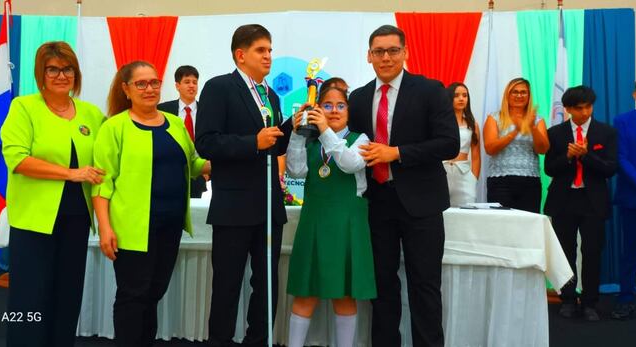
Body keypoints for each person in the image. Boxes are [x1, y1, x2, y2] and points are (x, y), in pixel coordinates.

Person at [347, 25, 459, 347]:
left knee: (425, 287)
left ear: (405, 52)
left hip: (421, 204)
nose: (386, 57)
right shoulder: (358, 98)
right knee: (381, 287)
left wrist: (397, 153)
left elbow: (449, 144)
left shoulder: (431, 91)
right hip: (375, 202)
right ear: (369, 56)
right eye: (378, 51)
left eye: (393, 50)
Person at [92, 60, 209, 346]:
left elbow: (193, 163)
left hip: (169, 226)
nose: (149, 89)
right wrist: (104, 227)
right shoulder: (114, 128)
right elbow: (102, 183)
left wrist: (229, 159)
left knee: (154, 293)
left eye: (154, 82)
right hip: (131, 229)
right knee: (133, 296)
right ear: (126, 89)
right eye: (141, 83)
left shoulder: (176, 125)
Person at [0, 41, 105, 347]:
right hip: (34, 219)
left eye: (68, 68)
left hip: (76, 218)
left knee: (68, 293)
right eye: (53, 69)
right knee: (29, 297)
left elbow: (106, 159)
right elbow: (18, 159)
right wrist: (70, 173)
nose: (62, 75)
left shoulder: (91, 113)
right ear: (41, 74)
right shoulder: (24, 107)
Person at [195, 24, 293, 347]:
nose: (268, 57)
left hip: (268, 207)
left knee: (267, 286)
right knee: (227, 286)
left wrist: (293, 125)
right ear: (241, 54)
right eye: (261, 50)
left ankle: (258, 340)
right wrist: (253, 141)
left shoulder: (272, 95)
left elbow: (274, 147)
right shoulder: (219, 88)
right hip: (233, 207)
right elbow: (207, 143)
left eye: (270, 50)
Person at [285, 86, 376, 347]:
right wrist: (297, 133)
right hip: (314, 222)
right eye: (326, 105)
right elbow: (296, 170)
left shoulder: (361, 139)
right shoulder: (312, 142)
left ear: (349, 110)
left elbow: (348, 163)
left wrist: (324, 130)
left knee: (344, 295)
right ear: (317, 108)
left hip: (347, 224)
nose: (333, 111)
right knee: (305, 292)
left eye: (340, 105)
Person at [544, 86, 617, 321]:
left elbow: (610, 169)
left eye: (588, 107)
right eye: (579, 108)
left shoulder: (606, 132)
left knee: (592, 251)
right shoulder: (555, 133)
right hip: (564, 200)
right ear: (567, 109)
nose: (585, 112)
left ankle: (590, 302)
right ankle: (567, 298)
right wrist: (567, 157)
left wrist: (586, 155)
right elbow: (549, 169)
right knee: (565, 252)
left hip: (593, 200)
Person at [483, 77, 550, 212]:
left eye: (523, 92)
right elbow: (490, 148)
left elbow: (543, 149)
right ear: (507, 95)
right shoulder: (494, 118)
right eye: (515, 92)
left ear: (529, 96)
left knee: (528, 225)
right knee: (501, 224)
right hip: (500, 181)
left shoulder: (538, 120)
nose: (519, 95)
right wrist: (515, 132)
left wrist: (533, 128)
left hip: (530, 181)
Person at [611, 74, 636, 320]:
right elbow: (621, 157)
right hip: (634, 195)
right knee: (631, 250)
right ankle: (625, 299)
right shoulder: (622, 121)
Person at [158, 65, 207, 198]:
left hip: (200, 173)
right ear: (177, 85)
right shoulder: (163, 110)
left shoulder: (207, 110)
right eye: (187, 82)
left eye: (194, 82)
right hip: (171, 172)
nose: (191, 86)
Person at [444, 82, 481, 206]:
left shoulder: (472, 124)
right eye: (456, 95)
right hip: (442, 171)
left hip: (464, 173)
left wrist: (473, 178)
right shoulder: (440, 123)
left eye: (465, 95)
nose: (461, 98)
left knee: (467, 210)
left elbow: (476, 155)